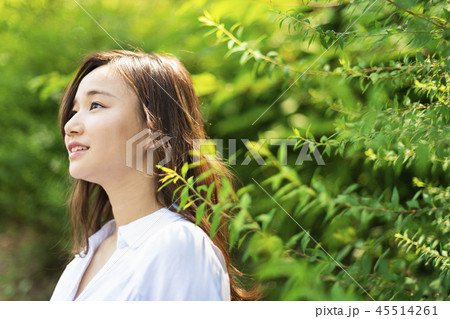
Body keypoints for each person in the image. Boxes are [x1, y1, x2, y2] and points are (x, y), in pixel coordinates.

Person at [50, 50, 259, 301]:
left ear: (153, 131)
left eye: (96, 105)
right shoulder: (86, 256)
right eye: (74, 110)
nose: (70, 126)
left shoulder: (179, 246)